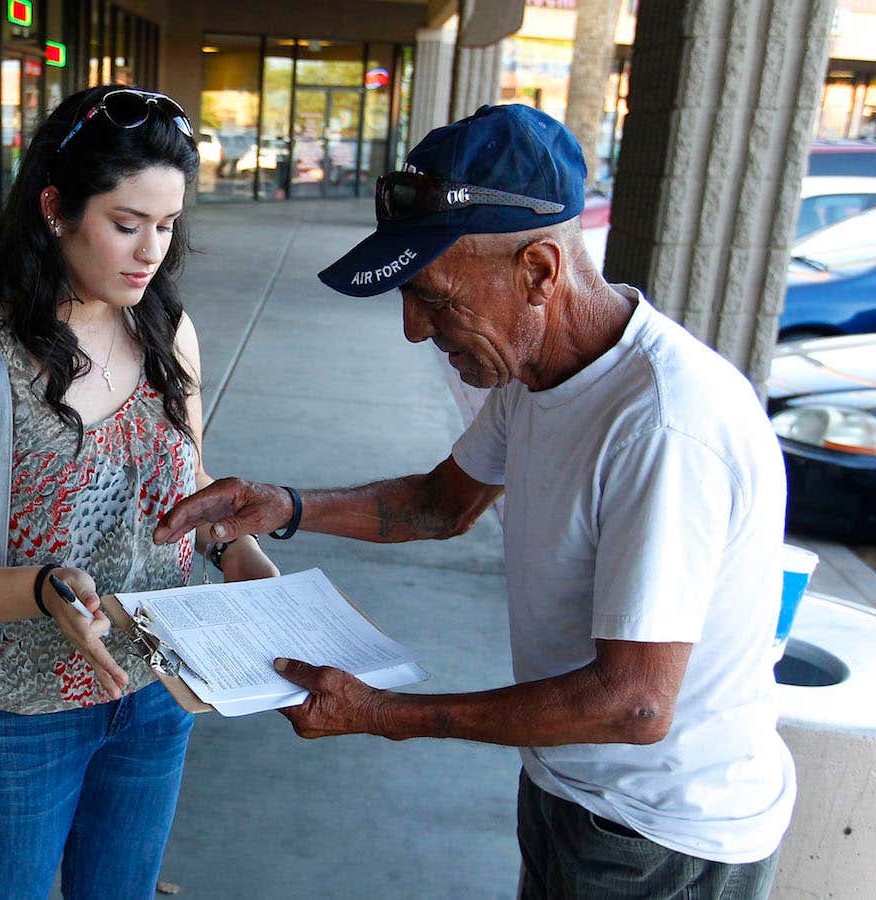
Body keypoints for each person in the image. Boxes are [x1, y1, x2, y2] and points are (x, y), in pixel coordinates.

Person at [155, 104, 795, 899]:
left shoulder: (663, 427)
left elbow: (633, 704)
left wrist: (386, 713)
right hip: (574, 791)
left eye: (434, 297)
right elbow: (439, 505)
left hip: (665, 834)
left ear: (538, 272)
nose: (414, 331)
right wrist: (284, 505)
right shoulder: (540, 370)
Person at [0, 85, 280, 899]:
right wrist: (41, 589)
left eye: (167, 227)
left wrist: (237, 550)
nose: (151, 253)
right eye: (126, 225)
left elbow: (188, 482)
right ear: (56, 208)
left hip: (160, 689)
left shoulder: (168, 332)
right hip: (16, 720)